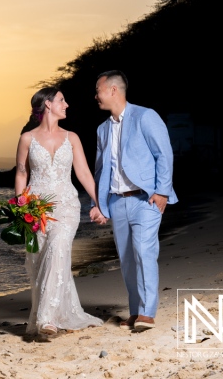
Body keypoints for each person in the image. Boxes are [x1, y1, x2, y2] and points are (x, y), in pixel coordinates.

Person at [14, 87, 104, 337]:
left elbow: (84, 174)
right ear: (48, 105)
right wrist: (21, 207)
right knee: (42, 260)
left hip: (66, 206)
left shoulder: (72, 137)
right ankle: (53, 313)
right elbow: (22, 173)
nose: (67, 105)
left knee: (57, 249)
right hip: (37, 208)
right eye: (62, 100)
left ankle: (46, 320)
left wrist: (100, 203)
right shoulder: (27, 138)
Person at [92, 70, 177, 332]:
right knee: (127, 258)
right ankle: (134, 311)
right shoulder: (102, 129)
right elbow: (100, 170)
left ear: (113, 90)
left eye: (98, 90)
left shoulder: (145, 116)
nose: (95, 95)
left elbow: (164, 154)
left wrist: (162, 191)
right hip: (117, 202)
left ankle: (147, 313)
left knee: (144, 252)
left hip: (146, 200)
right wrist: (99, 204)